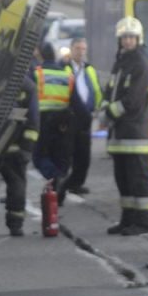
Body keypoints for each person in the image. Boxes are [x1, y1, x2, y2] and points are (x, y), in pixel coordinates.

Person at [102, 17, 148, 236]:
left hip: (134, 133)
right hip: (120, 134)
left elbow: (132, 101)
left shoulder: (141, 64)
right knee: (123, 180)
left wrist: (109, 112)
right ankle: (128, 220)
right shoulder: (121, 62)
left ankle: (144, 223)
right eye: (124, 37)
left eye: (131, 37)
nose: (127, 41)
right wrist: (105, 105)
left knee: (139, 180)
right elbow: (110, 91)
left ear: (138, 38)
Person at [0, 77, 39, 237]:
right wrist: (27, 148)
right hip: (12, 148)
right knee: (14, 184)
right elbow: (34, 119)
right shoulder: (28, 86)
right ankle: (15, 225)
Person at [61, 38, 102, 198]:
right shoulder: (65, 67)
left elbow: (96, 89)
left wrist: (97, 107)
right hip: (71, 116)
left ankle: (76, 183)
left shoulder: (89, 69)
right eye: (78, 48)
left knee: (83, 154)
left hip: (86, 116)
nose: (81, 52)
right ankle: (62, 186)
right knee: (68, 153)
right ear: (71, 49)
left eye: (83, 49)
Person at [32, 42, 73, 198]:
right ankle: (57, 193)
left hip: (42, 120)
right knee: (57, 157)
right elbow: (76, 102)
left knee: (38, 157)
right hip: (62, 122)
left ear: (40, 55)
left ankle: (56, 177)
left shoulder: (37, 74)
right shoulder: (67, 76)